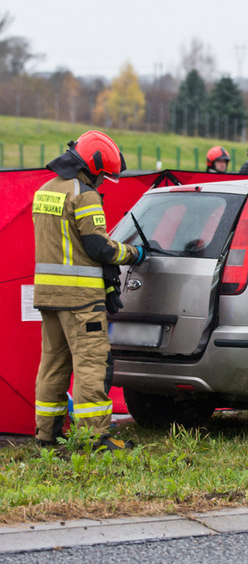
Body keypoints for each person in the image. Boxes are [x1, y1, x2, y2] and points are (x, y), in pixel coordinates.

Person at [32, 131, 146, 451]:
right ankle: (94, 439)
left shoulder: (45, 190)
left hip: (49, 296)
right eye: (103, 176)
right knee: (92, 365)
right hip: (81, 300)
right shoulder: (84, 195)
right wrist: (133, 253)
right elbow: (99, 247)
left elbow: (66, 244)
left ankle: (46, 436)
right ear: (93, 167)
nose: (101, 182)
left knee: (53, 366)